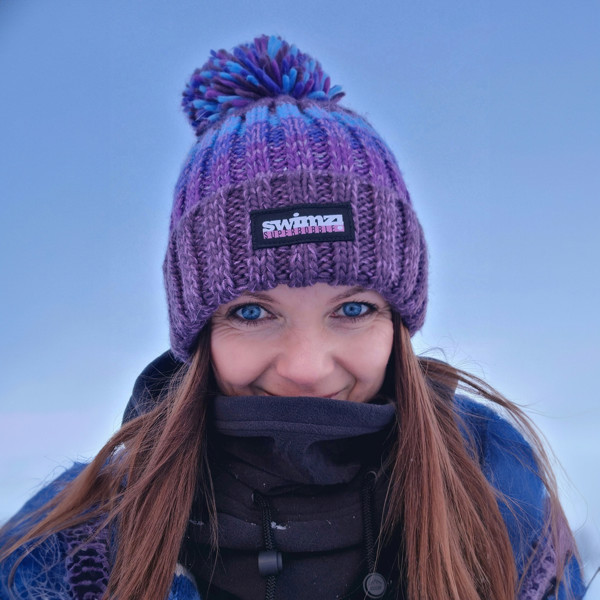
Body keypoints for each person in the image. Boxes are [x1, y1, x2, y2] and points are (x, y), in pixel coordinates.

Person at [0, 34, 587, 600]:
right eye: (253, 311)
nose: (306, 370)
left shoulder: (504, 499)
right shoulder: (64, 552)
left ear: (398, 324)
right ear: (198, 331)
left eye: (352, 309)